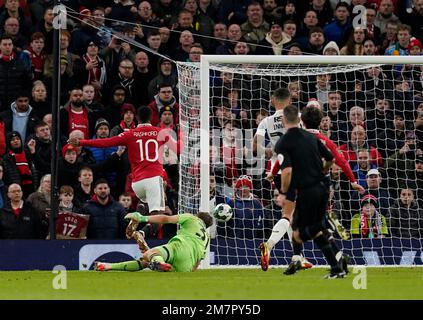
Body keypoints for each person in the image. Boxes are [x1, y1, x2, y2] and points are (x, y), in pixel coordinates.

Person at [272, 105, 346, 278]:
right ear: (299, 120)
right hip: (323, 188)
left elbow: (287, 171)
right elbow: (330, 158)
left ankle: (325, 227)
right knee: (305, 227)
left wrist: (283, 193)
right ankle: (337, 266)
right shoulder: (312, 137)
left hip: (307, 192)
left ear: (284, 120)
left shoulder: (283, 142)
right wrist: (325, 170)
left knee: (299, 234)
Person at [69, 106, 178, 218]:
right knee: (158, 215)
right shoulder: (161, 132)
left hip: (137, 183)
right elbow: (177, 148)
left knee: (146, 200)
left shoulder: (130, 134)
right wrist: (183, 136)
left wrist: (81, 142)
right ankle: (143, 230)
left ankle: (141, 208)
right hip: (154, 179)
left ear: (137, 118)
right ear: (151, 117)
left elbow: (106, 142)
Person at [94, 211, 213, 272]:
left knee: (148, 255)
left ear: (197, 216)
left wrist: (142, 218)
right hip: (187, 265)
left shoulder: (192, 218)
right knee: (147, 260)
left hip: (180, 246)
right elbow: (197, 263)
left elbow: (166, 219)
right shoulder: (207, 237)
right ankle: (106, 266)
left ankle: (158, 261)